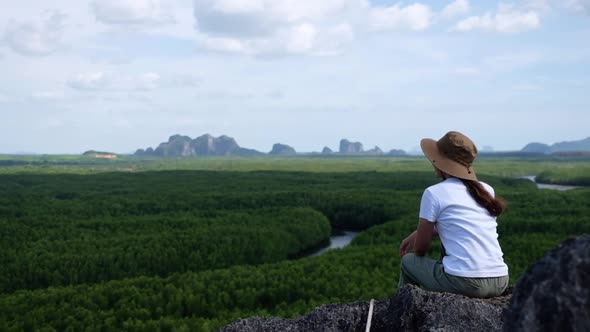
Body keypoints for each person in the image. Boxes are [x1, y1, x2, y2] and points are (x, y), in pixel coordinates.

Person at [398, 131, 509, 298]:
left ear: (440, 162)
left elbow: (420, 250)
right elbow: (464, 227)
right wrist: (417, 233)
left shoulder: (433, 193)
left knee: (408, 262)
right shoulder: (486, 189)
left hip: (466, 283)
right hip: (500, 280)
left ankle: (402, 313)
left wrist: (421, 237)